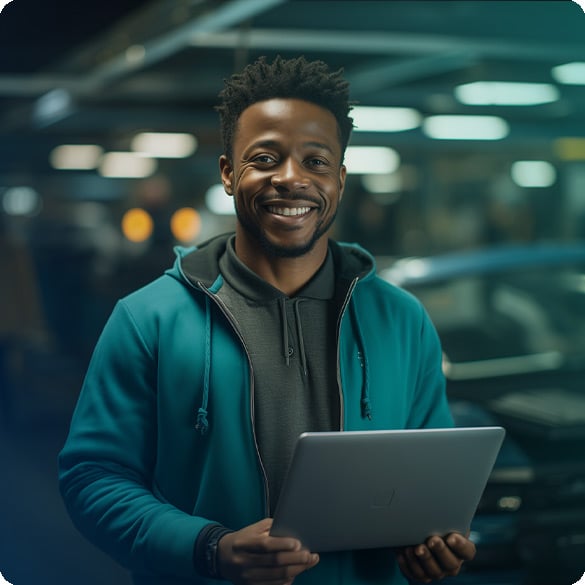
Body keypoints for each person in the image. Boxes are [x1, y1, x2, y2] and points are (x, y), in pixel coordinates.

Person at [58, 55, 476, 585]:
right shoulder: (147, 320)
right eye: (265, 158)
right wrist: (209, 548)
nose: (291, 179)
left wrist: (435, 539)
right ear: (229, 174)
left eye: (316, 161)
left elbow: (434, 477)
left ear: (341, 180)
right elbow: (93, 478)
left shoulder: (401, 319)